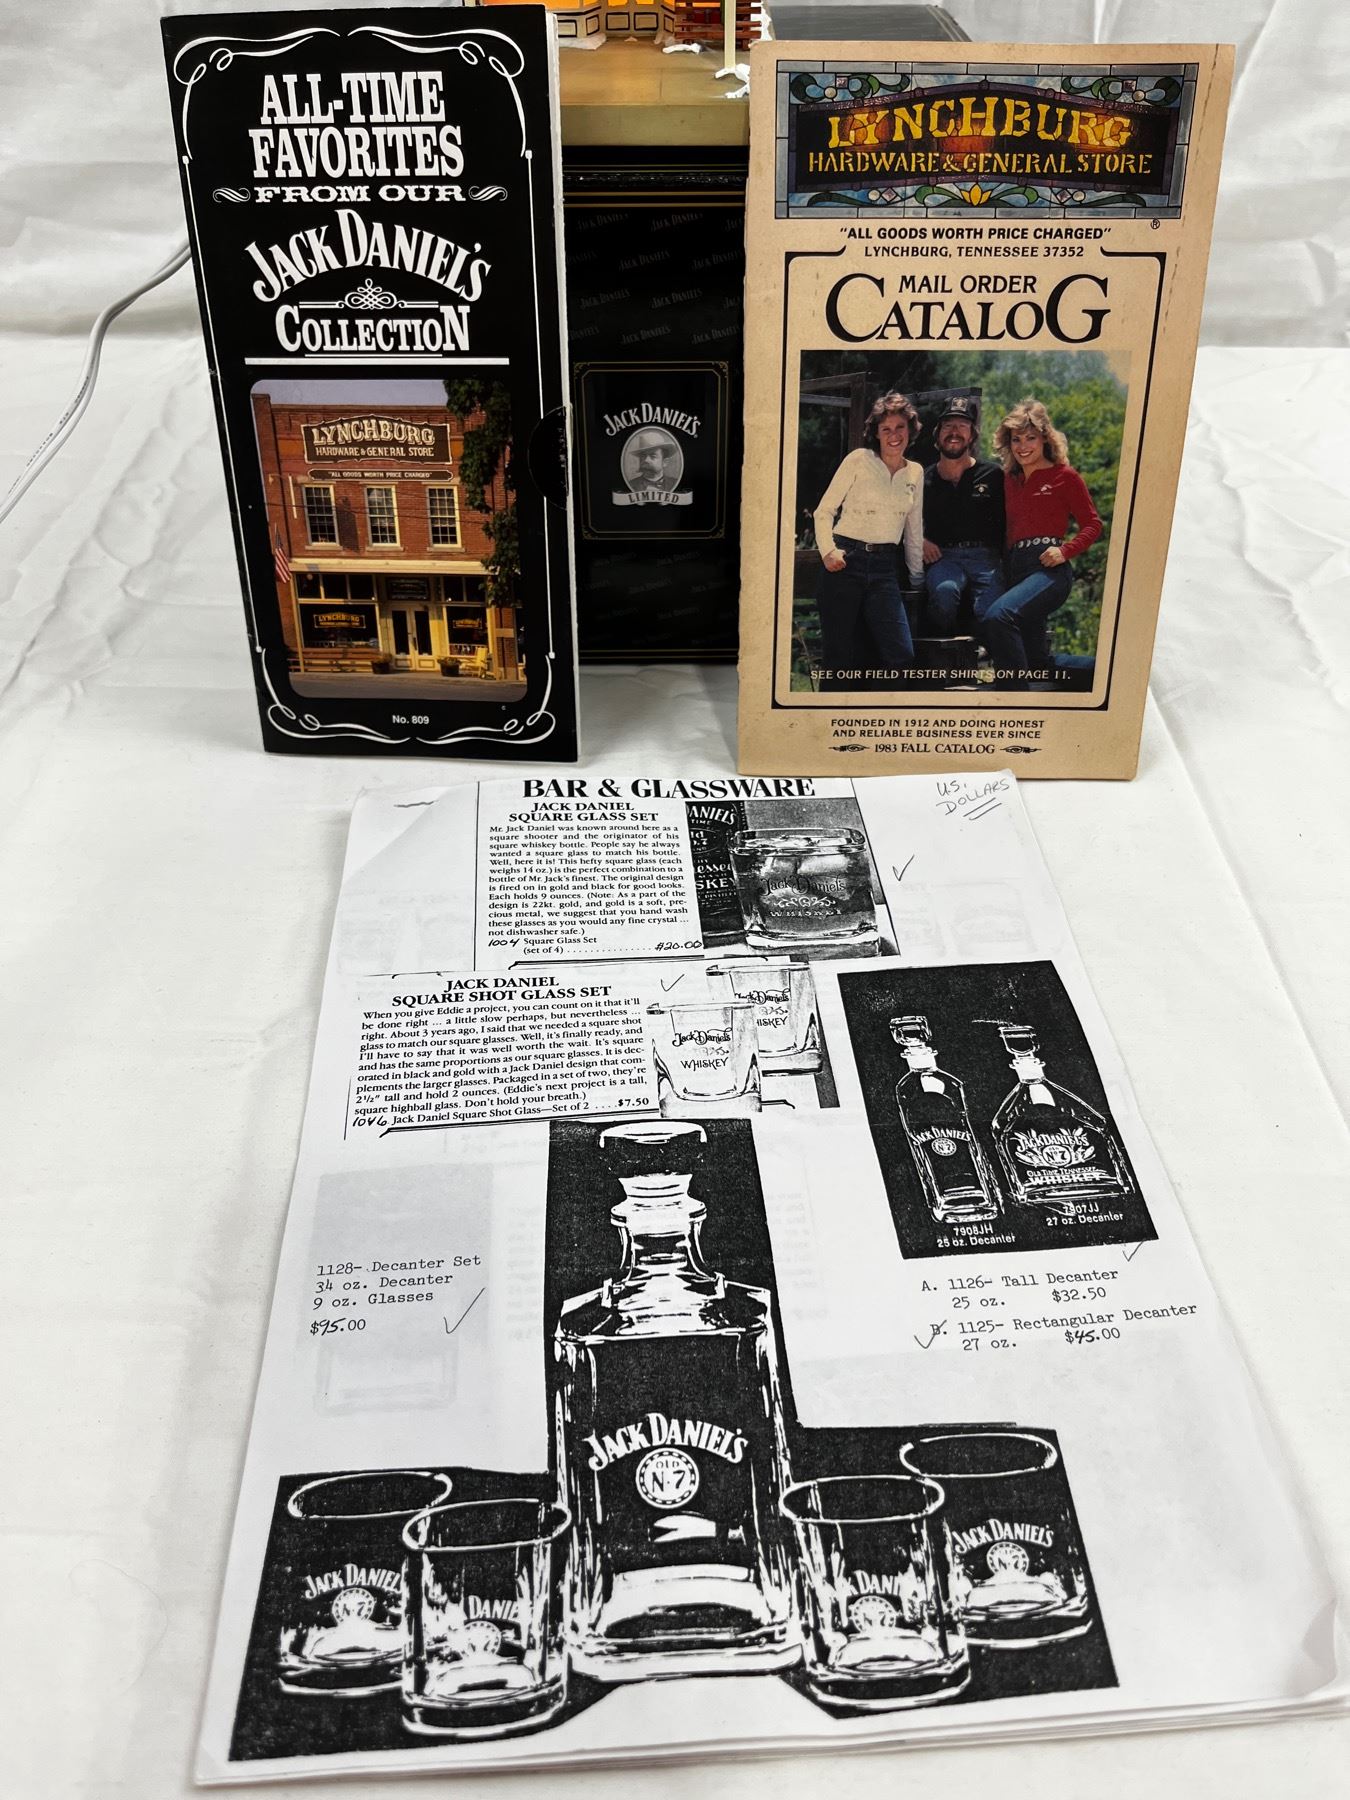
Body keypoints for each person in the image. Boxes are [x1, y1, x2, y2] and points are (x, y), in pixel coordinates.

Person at [979, 398, 1102, 684]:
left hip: (1049, 571)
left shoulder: (1065, 476)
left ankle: (1013, 698)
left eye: (1030, 438)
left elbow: (1093, 524)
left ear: (1045, 438)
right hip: (1014, 569)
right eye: (1016, 439)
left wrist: (1065, 551)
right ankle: (1111, 672)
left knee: (998, 616)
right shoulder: (1008, 480)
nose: (1023, 446)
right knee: (1037, 664)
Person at [812, 391, 925, 689]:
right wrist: (828, 551)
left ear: (910, 429)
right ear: (876, 432)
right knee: (839, 658)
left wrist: (917, 579)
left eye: (900, 427)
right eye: (886, 429)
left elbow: (914, 531)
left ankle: (879, 712)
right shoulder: (859, 460)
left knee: (900, 654)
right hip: (844, 562)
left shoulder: (915, 472)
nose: (894, 435)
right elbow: (824, 511)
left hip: (885, 570)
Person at [920, 395, 1006, 639]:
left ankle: (985, 651)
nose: (954, 432)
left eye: (962, 425)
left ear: (972, 435)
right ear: (937, 434)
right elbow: (902, 519)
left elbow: (1011, 521)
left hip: (985, 558)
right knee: (944, 593)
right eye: (948, 425)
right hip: (944, 558)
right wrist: (921, 541)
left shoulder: (993, 474)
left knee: (991, 613)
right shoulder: (923, 478)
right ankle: (944, 653)